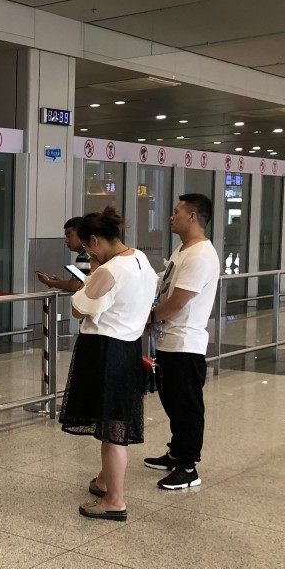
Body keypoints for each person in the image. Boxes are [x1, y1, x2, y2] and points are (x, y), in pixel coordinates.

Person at [59, 207, 157, 522]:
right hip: (128, 347)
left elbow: (78, 308)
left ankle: (115, 500)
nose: (89, 254)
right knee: (114, 420)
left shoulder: (109, 270)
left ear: (95, 240)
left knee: (112, 429)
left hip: (105, 350)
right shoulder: (140, 258)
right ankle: (104, 482)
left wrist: (93, 273)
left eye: (89, 248)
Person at [144, 194, 221, 490]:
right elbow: (165, 286)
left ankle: (188, 467)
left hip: (185, 343)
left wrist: (148, 319)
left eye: (176, 211)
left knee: (186, 406)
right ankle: (176, 453)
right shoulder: (183, 249)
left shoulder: (200, 255)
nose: (171, 216)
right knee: (173, 402)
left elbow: (177, 302)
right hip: (169, 340)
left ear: (192, 216)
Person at [36, 216, 94, 292]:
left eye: (69, 236)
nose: (66, 240)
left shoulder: (84, 256)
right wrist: (59, 282)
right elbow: (80, 282)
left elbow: (74, 285)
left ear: (81, 234)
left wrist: (48, 282)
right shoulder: (91, 253)